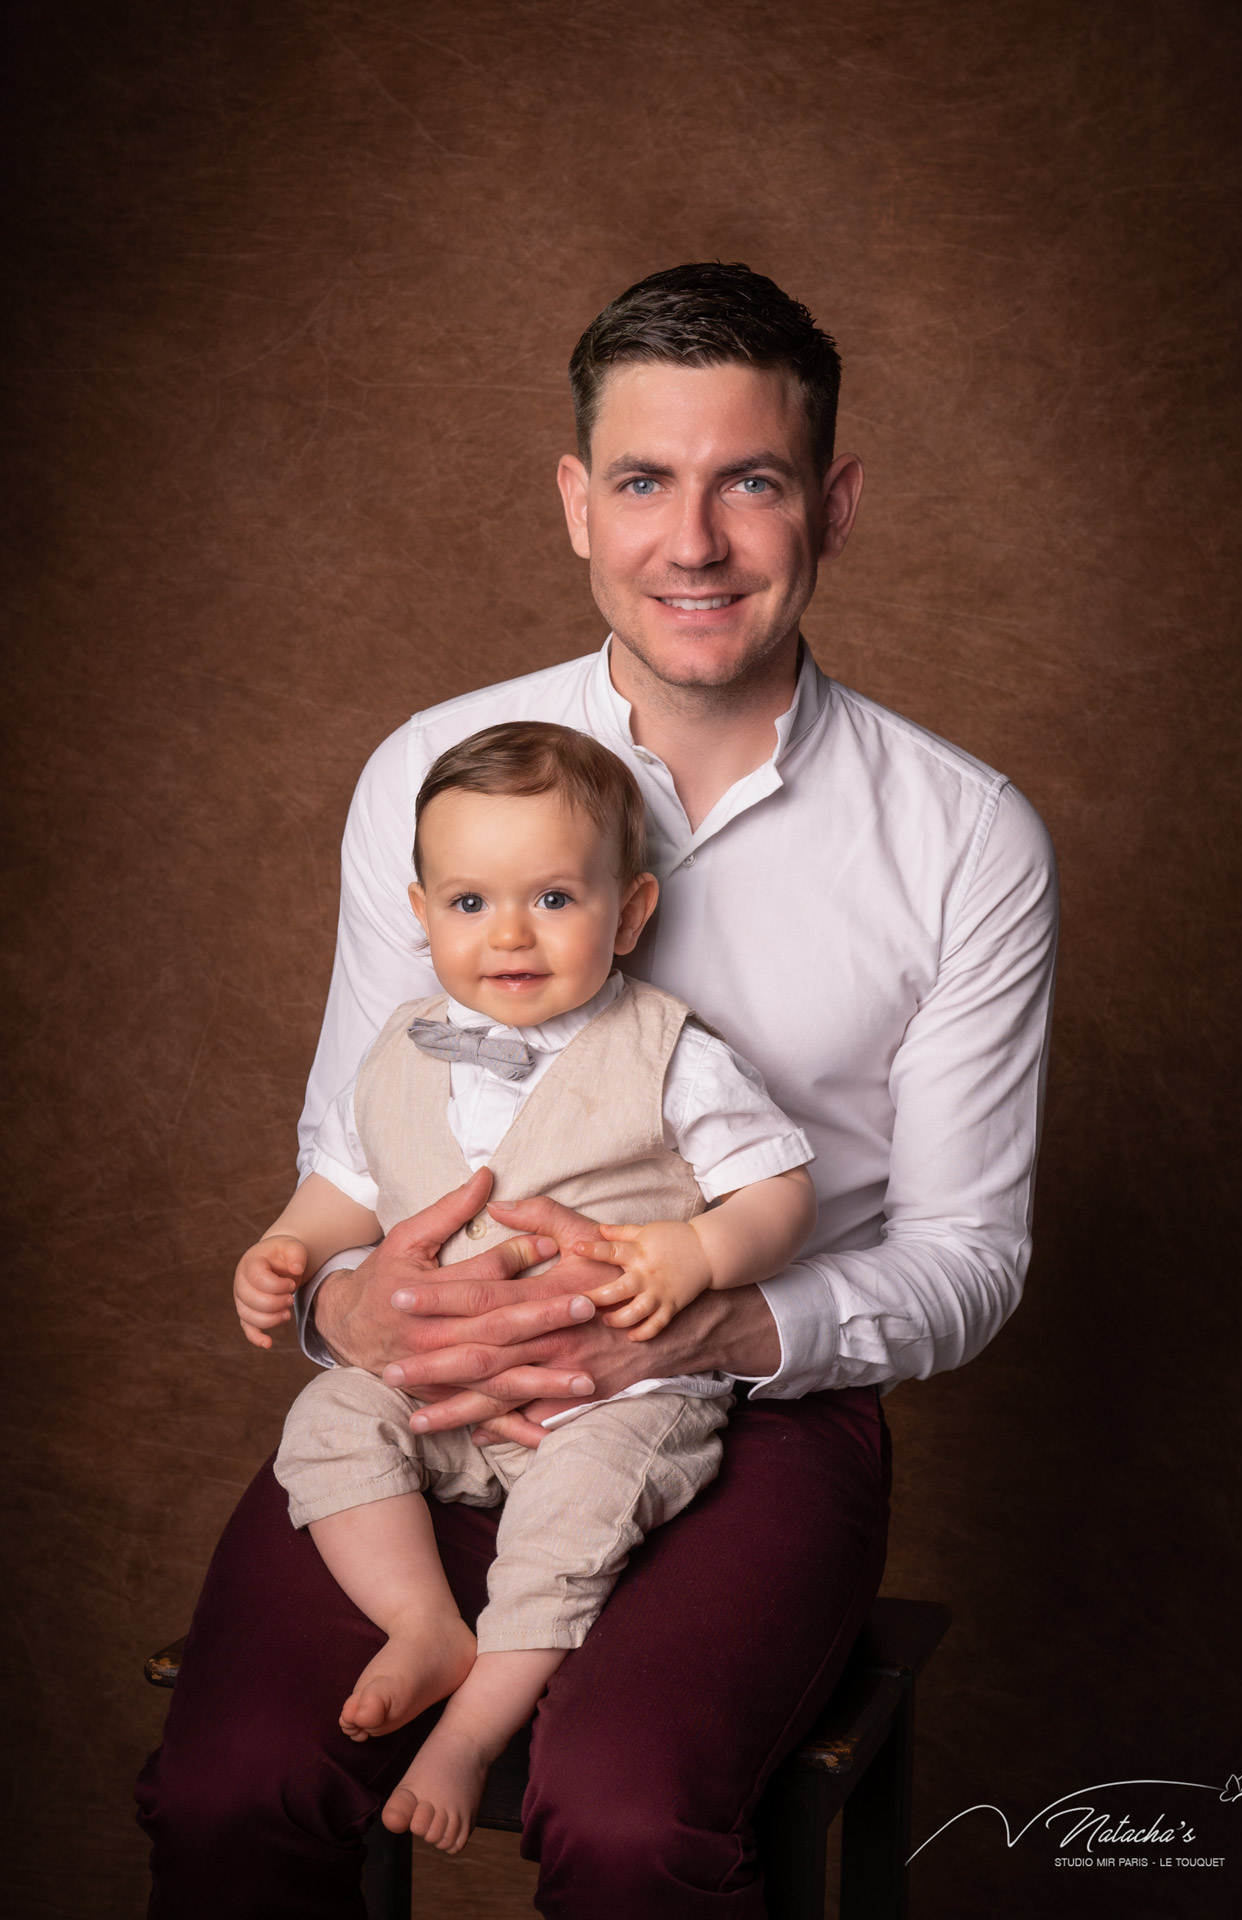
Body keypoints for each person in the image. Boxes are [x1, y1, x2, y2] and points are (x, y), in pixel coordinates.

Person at [137, 262, 1057, 1919]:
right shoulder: (438, 770)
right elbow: (365, 1130)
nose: (691, 543)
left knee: (630, 1821)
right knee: (230, 1790)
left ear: (832, 504)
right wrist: (351, 1308)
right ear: (577, 500)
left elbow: (969, 1258)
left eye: (750, 483)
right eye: (644, 479)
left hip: (749, 1411)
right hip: (438, 1378)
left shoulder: (962, 835)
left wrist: (698, 1323)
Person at [232, 719, 817, 1853]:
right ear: (419, 916)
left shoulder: (673, 1051)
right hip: (434, 1393)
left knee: (575, 1517)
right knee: (326, 1421)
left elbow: (781, 1194)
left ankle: (473, 1728)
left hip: (610, 1397)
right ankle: (422, 1626)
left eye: (552, 899)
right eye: (468, 904)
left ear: (630, 911)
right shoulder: (400, 1044)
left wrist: (694, 1254)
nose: (508, 934)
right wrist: (288, 1250)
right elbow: (346, 1188)